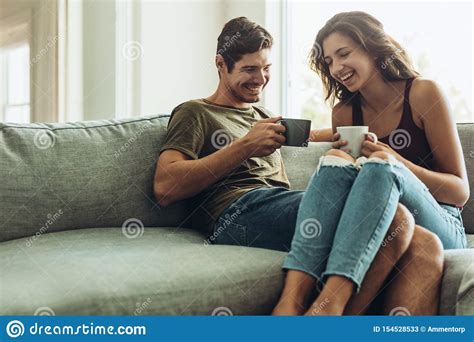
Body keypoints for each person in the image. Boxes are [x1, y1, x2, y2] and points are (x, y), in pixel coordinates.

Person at [153, 16, 444, 315]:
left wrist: (357, 132)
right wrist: (246, 146)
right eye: (249, 69)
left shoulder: (263, 116)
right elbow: (165, 187)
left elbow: (313, 135)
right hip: (239, 211)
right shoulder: (195, 112)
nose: (260, 78)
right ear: (220, 64)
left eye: (266, 69)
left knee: (411, 233)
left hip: (282, 204)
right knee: (388, 218)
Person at [277, 11, 469, 316]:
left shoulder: (422, 93)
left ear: (372, 47)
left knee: (380, 162)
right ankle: (304, 307)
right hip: (391, 220)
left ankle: (329, 307)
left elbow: (459, 191)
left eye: (344, 54)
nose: (337, 68)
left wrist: (396, 162)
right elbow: (360, 195)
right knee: (338, 159)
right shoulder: (344, 113)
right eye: (328, 62)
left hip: (442, 218)